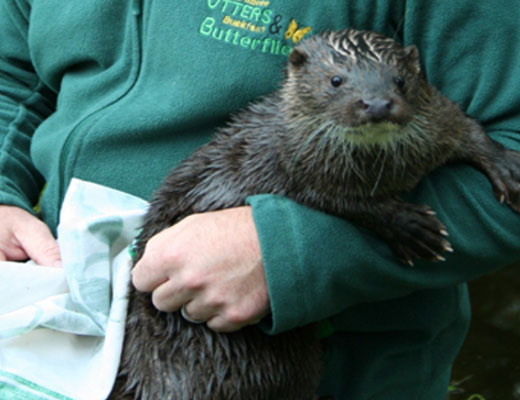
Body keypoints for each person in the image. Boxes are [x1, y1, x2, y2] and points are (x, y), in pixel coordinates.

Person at [0, 1, 519, 399]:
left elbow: (507, 139)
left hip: (330, 366)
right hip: (61, 332)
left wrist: (290, 249)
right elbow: (12, 74)